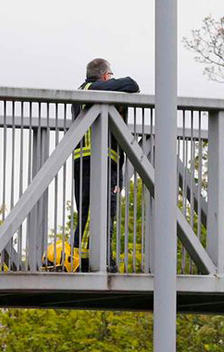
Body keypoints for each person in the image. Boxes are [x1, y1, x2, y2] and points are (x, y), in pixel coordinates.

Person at [71, 58, 139, 272]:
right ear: (105, 75)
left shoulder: (92, 90)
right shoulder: (89, 88)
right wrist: (114, 82)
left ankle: (87, 256)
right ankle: (92, 259)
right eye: (110, 76)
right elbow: (131, 84)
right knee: (96, 211)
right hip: (95, 161)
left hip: (96, 161)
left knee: (92, 212)